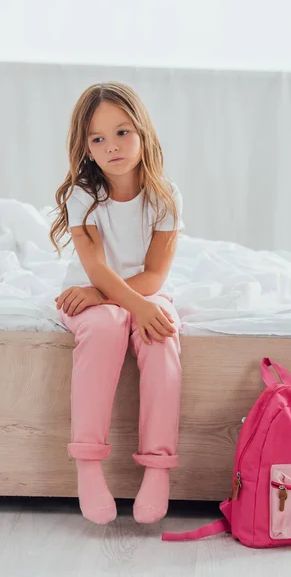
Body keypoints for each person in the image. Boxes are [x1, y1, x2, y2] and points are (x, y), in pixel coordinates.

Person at [50, 82, 184, 526]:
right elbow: (96, 269)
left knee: (162, 335)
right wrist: (112, 301)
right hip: (88, 293)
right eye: (98, 138)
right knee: (107, 326)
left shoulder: (165, 198)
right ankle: (88, 466)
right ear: (86, 148)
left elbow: (155, 275)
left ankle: (157, 470)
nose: (112, 146)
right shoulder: (82, 196)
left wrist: (141, 308)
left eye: (123, 132)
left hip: (140, 291)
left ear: (143, 132)